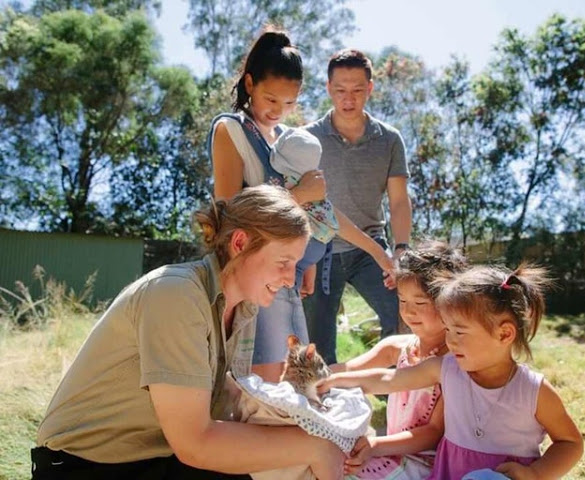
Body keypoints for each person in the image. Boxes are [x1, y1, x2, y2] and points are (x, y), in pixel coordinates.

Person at [32, 185, 344, 480]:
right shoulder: (176, 294)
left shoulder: (242, 309)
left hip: (153, 457)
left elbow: (229, 406)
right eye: (283, 261)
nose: (291, 279)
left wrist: (327, 432)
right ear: (240, 244)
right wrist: (315, 447)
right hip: (83, 466)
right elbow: (195, 442)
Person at [209, 29, 393, 382]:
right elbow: (229, 217)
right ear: (249, 83)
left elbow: (322, 212)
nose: (279, 111)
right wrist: (299, 196)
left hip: (288, 277)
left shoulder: (288, 141)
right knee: (267, 379)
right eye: (271, 99)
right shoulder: (230, 131)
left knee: (296, 375)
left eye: (290, 103)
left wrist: (366, 252)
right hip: (253, 277)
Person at [319, 264, 584, 480]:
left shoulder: (534, 391)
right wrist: (335, 379)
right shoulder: (447, 370)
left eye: (460, 332)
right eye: (447, 330)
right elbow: (389, 379)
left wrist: (535, 474)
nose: (451, 341)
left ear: (504, 333)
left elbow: (570, 443)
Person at [303, 48, 412, 365]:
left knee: (402, 311)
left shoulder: (389, 140)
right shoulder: (307, 139)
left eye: (357, 90)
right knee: (319, 345)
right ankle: (326, 406)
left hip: (370, 249)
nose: (348, 99)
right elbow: (311, 207)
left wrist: (401, 249)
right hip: (319, 251)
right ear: (328, 89)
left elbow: (399, 200)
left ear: (370, 88)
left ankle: (391, 395)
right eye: (340, 91)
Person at [330, 241, 467, 479]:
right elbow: (348, 368)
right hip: (389, 454)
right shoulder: (397, 347)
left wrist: (375, 446)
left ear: (450, 302)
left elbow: (433, 432)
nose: (409, 311)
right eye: (402, 301)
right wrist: (314, 375)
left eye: (420, 302)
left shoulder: (454, 363)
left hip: (428, 465)